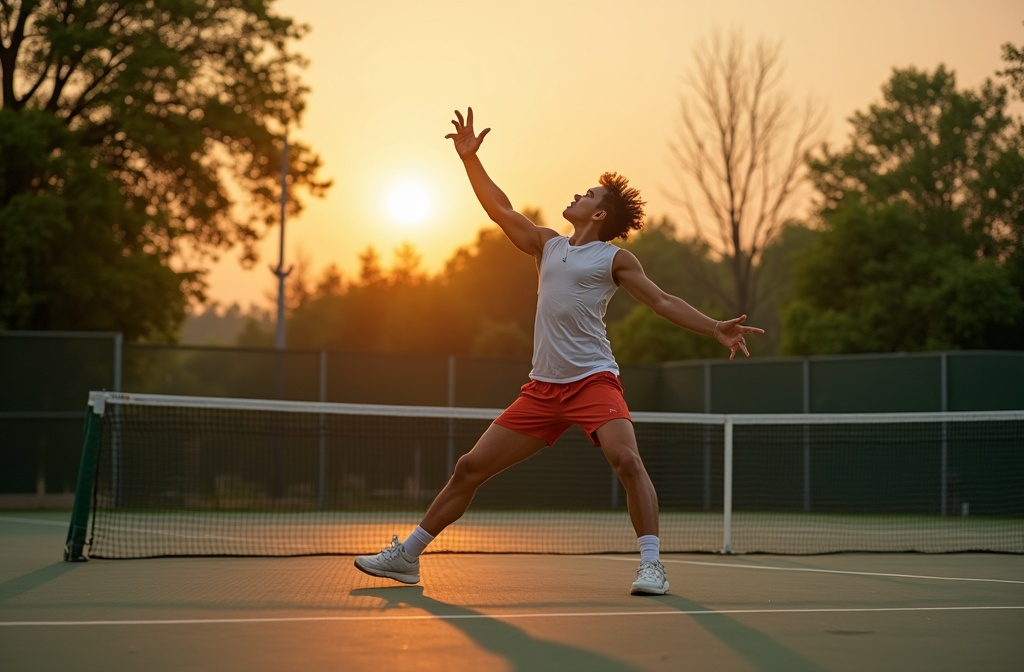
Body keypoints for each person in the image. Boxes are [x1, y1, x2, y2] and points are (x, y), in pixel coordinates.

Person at [355, 108, 764, 595]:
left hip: (593, 381)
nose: (577, 194)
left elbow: (661, 300)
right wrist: (470, 160)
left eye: (588, 194)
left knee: (627, 462)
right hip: (542, 391)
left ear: (599, 214)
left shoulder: (614, 258)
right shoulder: (546, 245)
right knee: (469, 467)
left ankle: (652, 566)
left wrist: (714, 326)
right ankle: (407, 557)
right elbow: (500, 210)